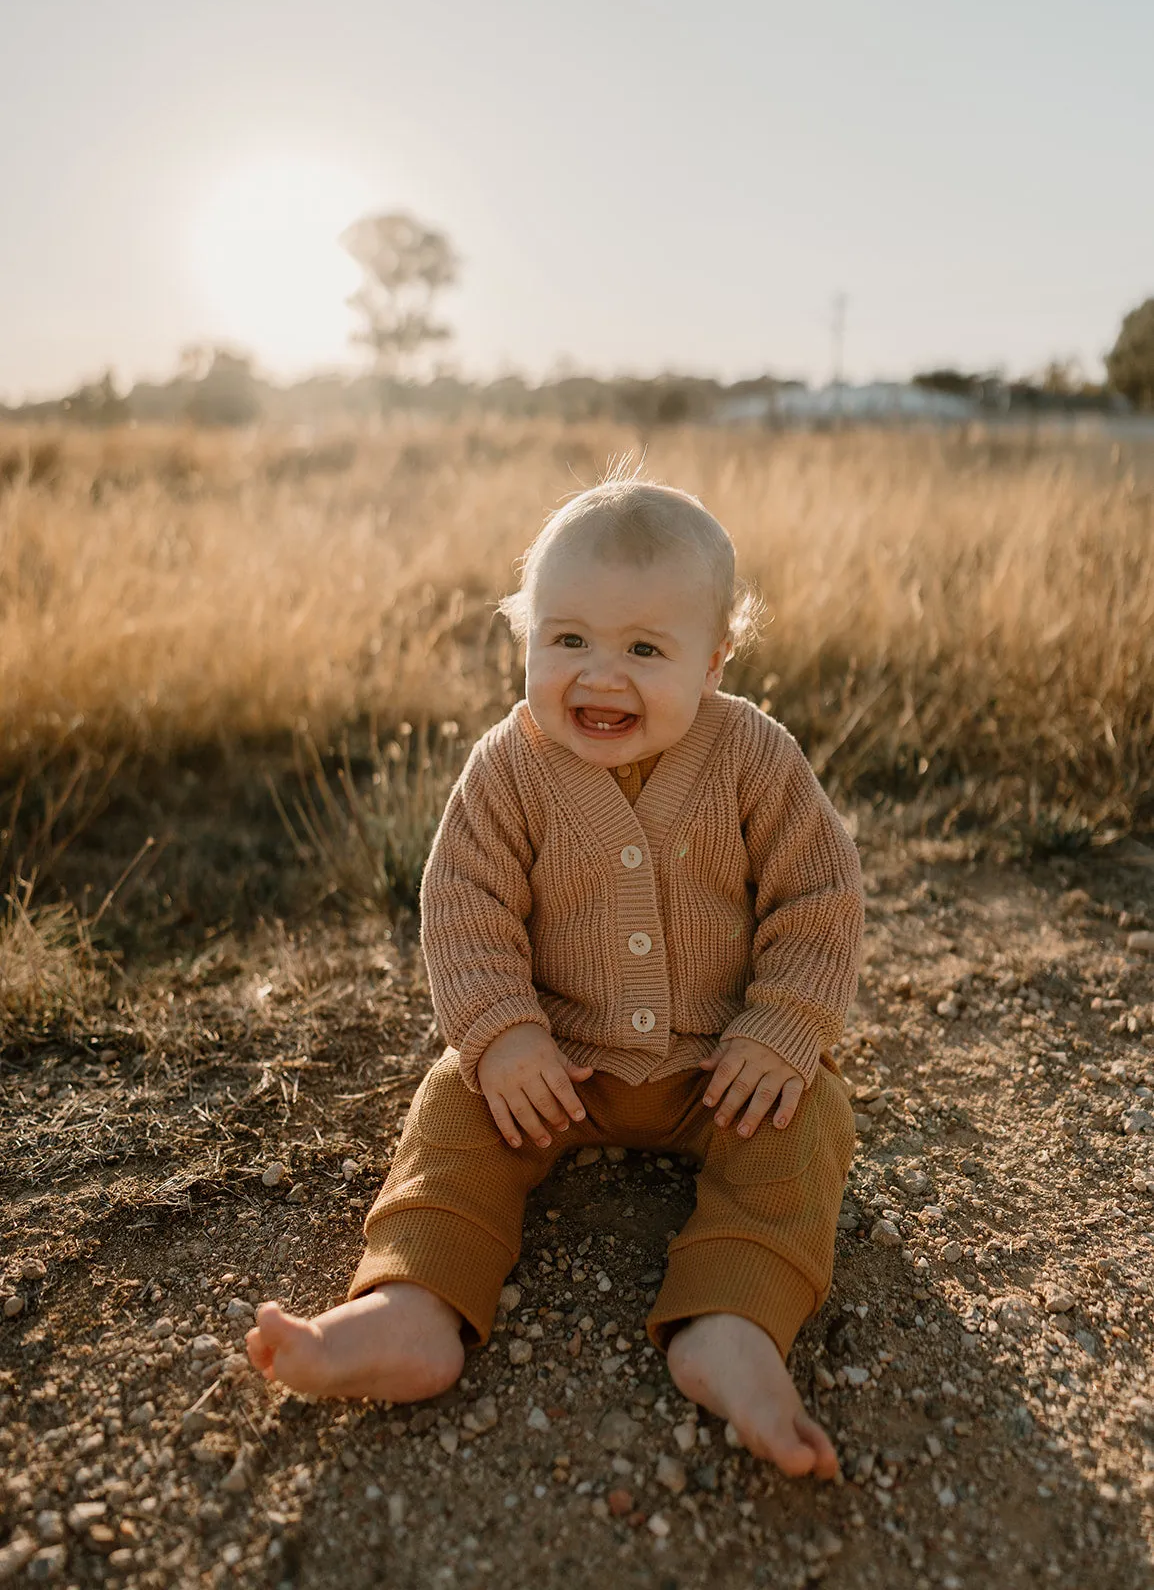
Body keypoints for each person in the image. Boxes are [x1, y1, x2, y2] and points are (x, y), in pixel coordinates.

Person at [247, 477, 863, 1479]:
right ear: (525, 639)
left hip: (721, 1070)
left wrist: (780, 1026)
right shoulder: (506, 769)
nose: (598, 676)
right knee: (454, 1101)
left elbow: (816, 899)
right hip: (555, 1072)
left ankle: (733, 1322)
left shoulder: (754, 757)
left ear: (714, 661)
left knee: (805, 1120)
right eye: (566, 640)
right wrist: (503, 1032)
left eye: (644, 649)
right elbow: (464, 908)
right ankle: (410, 1305)